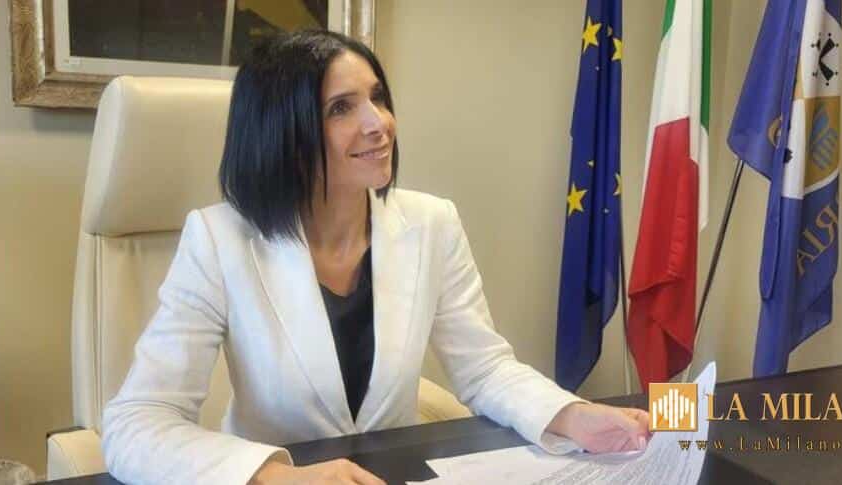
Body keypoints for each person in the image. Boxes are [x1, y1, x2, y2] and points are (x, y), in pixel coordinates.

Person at [101, 29, 651, 485]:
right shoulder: (217, 239)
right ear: (284, 132)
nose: (379, 122)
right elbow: (136, 423)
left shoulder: (432, 223)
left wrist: (572, 415)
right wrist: (275, 476)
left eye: (378, 97)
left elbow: (484, 369)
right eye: (342, 108)